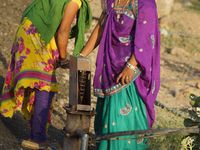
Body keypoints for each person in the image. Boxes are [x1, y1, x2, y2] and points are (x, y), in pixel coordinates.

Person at [0, 0, 91, 148]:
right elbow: (63, 31)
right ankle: (38, 138)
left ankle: (37, 134)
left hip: (29, 30)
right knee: (45, 85)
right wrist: (63, 57)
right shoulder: (75, 1)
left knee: (38, 83)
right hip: (37, 36)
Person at [80, 0, 160, 149]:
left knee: (123, 124)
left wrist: (130, 65)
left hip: (130, 74)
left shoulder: (144, 4)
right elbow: (102, 26)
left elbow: (147, 38)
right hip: (110, 67)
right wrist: (82, 55)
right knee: (106, 122)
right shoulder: (111, 1)